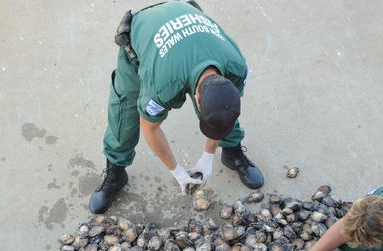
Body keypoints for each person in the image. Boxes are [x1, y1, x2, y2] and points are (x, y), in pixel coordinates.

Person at [89, 0, 264, 214]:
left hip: (187, 17)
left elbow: (225, 110)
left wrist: (207, 157)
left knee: (222, 109)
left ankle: (231, 152)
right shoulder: (164, 85)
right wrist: (176, 170)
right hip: (143, 33)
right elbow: (150, 127)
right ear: (196, 98)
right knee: (124, 112)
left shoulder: (236, 67)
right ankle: (115, 172)